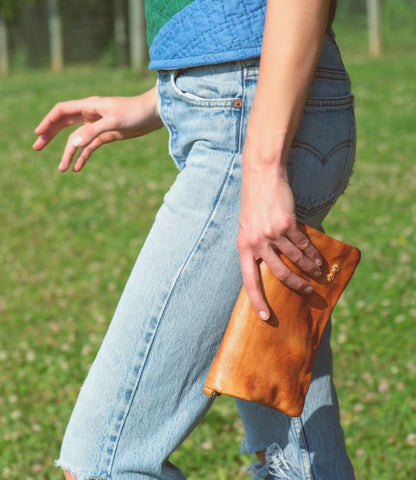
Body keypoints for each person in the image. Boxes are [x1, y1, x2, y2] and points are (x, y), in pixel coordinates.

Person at [33, 1, 357, 478]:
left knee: (104, 461)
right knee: (293, 454)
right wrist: (161, 97)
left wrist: (263, 167)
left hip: (253, 121)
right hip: (246, 101)